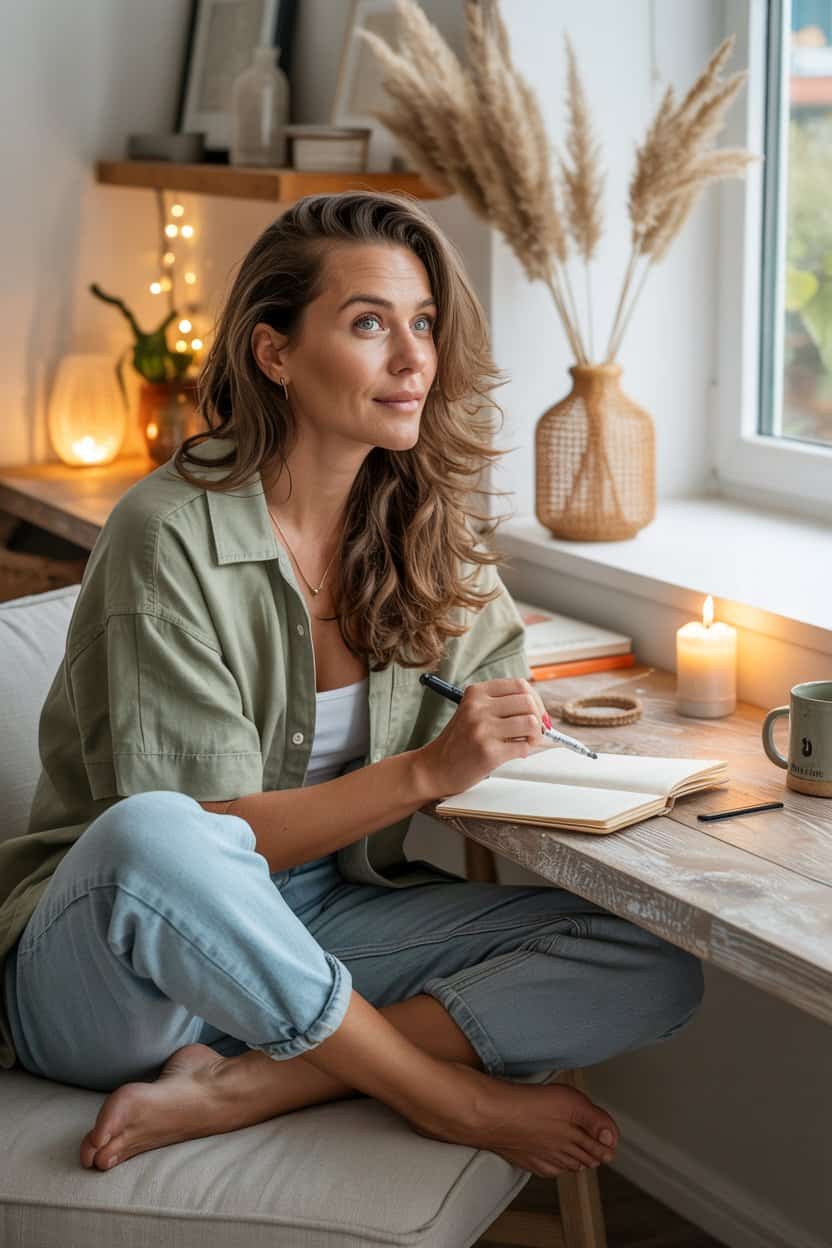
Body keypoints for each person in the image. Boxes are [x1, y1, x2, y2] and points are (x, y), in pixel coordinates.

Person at [0, 190, 703, 1180]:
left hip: (318, 923)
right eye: (370, 323)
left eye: (423, 323)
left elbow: (499, 695)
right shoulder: (167, 535)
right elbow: (207, 837)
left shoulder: (427, 527)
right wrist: (424, 772)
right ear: (274, 353)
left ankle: (252, 1084)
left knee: (652, 960)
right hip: (122, 975)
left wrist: (514, 736)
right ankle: (440, 1095)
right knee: (157, 831)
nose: (413, 358)